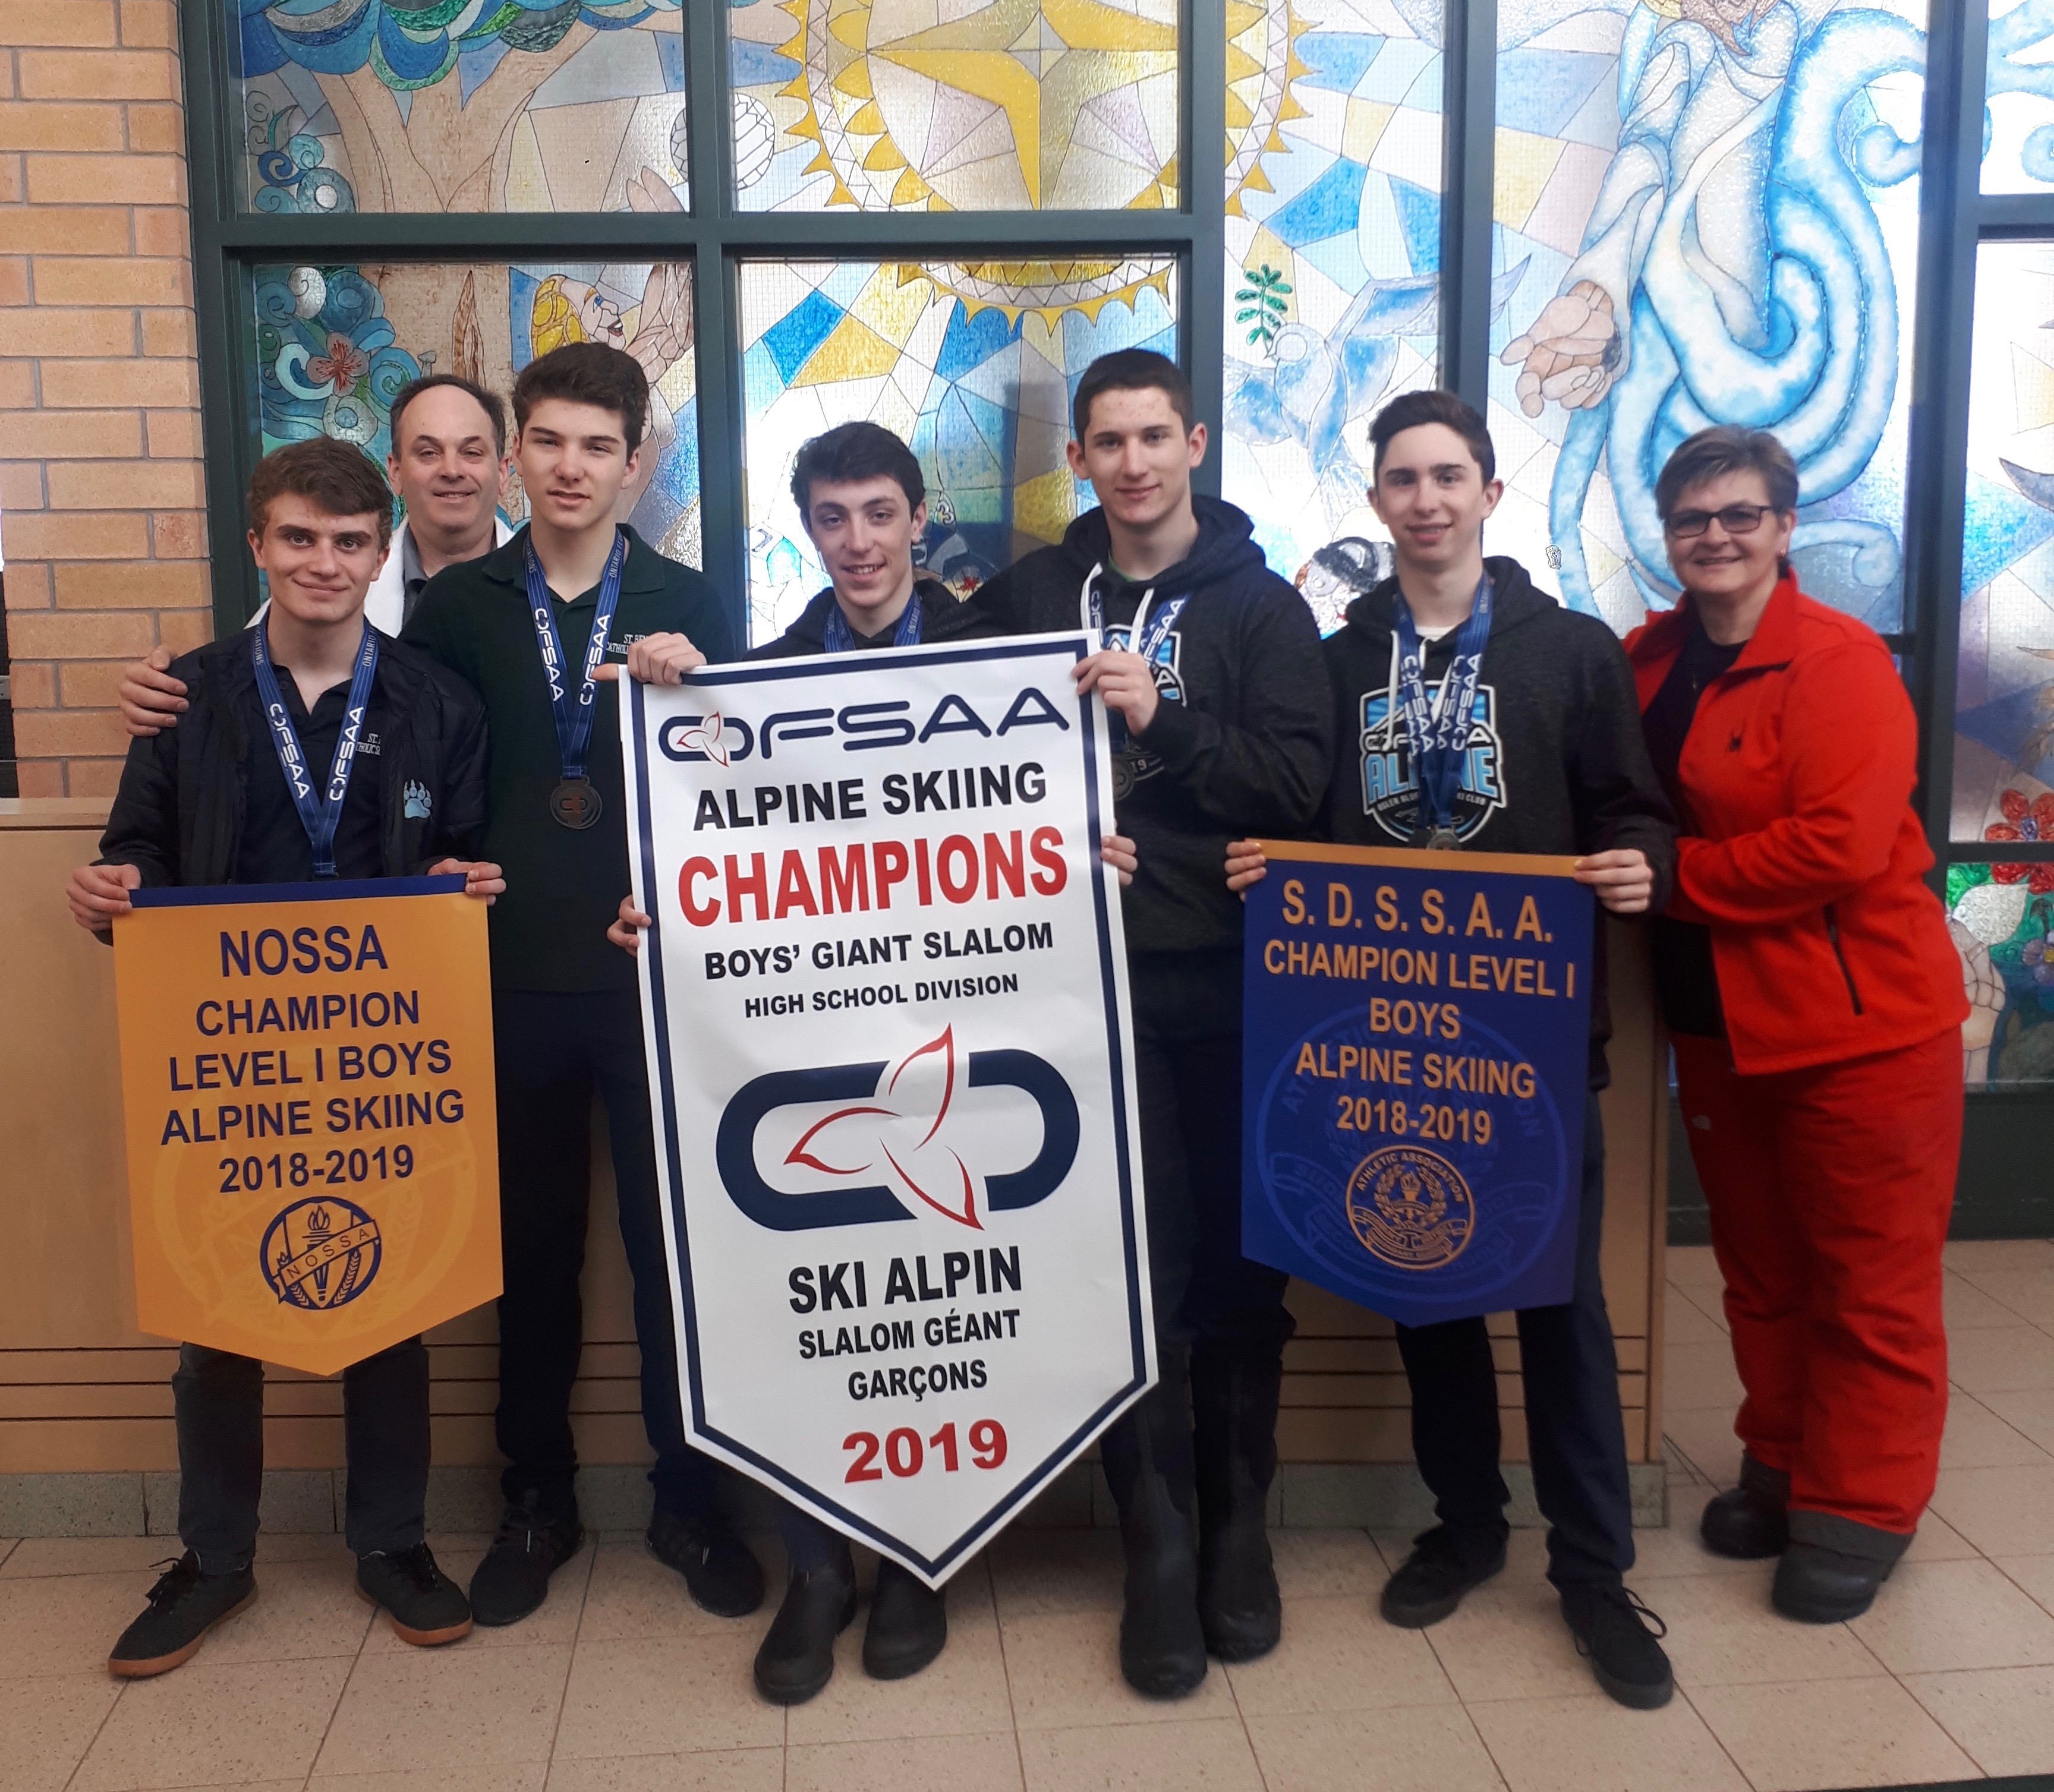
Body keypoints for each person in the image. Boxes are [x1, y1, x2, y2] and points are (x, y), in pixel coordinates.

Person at [609, 418, 1139, 1705]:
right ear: (810, 528)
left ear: (918, 520)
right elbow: (720, 846)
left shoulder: (1010, 667)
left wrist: (1100, 859)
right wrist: (661, 899)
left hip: (973, 1046)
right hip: (820, 1046)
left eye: (880, 513)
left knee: (949, 1302)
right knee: (824, 1304)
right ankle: (821, 1565)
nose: (858, 541)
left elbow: (1065, 820)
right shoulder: (761, 676)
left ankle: (920, 1567)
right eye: (833, 517)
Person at [1225, 389, 1680, 1709]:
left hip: (1530, 1041)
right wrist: (1256, 860)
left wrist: (1642, 864)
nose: (1425, 500)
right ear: (1375, 502)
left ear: (1488, 489)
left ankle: (1594, 1566)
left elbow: (1634, 808)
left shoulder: (1570, 650)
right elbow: (1294, 813)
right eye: (1402, 480)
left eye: (1449, 475)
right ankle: (1468, 1521)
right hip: (1381, 1040)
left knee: (1559, 1306)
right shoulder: (1334, 657)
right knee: (1423, 1284)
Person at [65, 437, 503, 1676]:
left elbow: (458, 863)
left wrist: (463, 883)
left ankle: (392, 1543)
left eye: (351, 541)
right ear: (257, 543)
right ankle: (215, 1556)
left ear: (383, 554)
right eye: (300, 537)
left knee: (394, 1297)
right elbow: (136, 849)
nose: (326, 561)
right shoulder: (187, 695)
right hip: (229, 1061)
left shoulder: (436, 702)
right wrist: (112, 889)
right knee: (213, 1316)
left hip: (375, 1060)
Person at [935, 348, 1335, 1698]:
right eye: (1104, 441)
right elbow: (909, 718)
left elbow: (1298, 783)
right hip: (1068, 996)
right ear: (1081, 461)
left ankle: (1237, 1534)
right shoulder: (1034, 595)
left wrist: (1163, 720)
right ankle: (1153, 1541)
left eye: (1152, 436)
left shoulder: (1262, 608)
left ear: (1195, 442)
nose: (1130, 462)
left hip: (1226, 987)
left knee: (1234, 1274)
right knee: (1123, 1277)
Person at [400, 341, 762, 1627]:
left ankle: (692, 1499)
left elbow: (748, 791)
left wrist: (702, 689)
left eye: (596, 445)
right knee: (533, 1257)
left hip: (659, 988)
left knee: (679, 1257)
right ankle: (536, 1500)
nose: (568, 466)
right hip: (502, 985)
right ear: (516, 450)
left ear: (635, 459)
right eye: (546, 440)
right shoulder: (458, 606)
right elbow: (408, 781)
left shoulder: (693, 600)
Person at [1625, 425, 1968, 1622]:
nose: (1715, 536)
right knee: (1762, 1270)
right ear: (1666, 533)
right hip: (1721, 1026)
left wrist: (1677, 876)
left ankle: (1861, 1503)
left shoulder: (1839, 660)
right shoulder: (1651, 659)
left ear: (1784, 525)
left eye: (1740, 515)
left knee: (1868, 1277)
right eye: (1692, 519)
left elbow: (1841, 844)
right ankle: (1780, 1460)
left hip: (1857, 1027)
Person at [116, 374, 515, 727]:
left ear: (503, 472)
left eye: (472, 452)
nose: (451, 469)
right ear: (395, 471)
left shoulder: (557, 590)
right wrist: (169, 690)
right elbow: (243, 683)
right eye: (427, 452)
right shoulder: (327, 582)